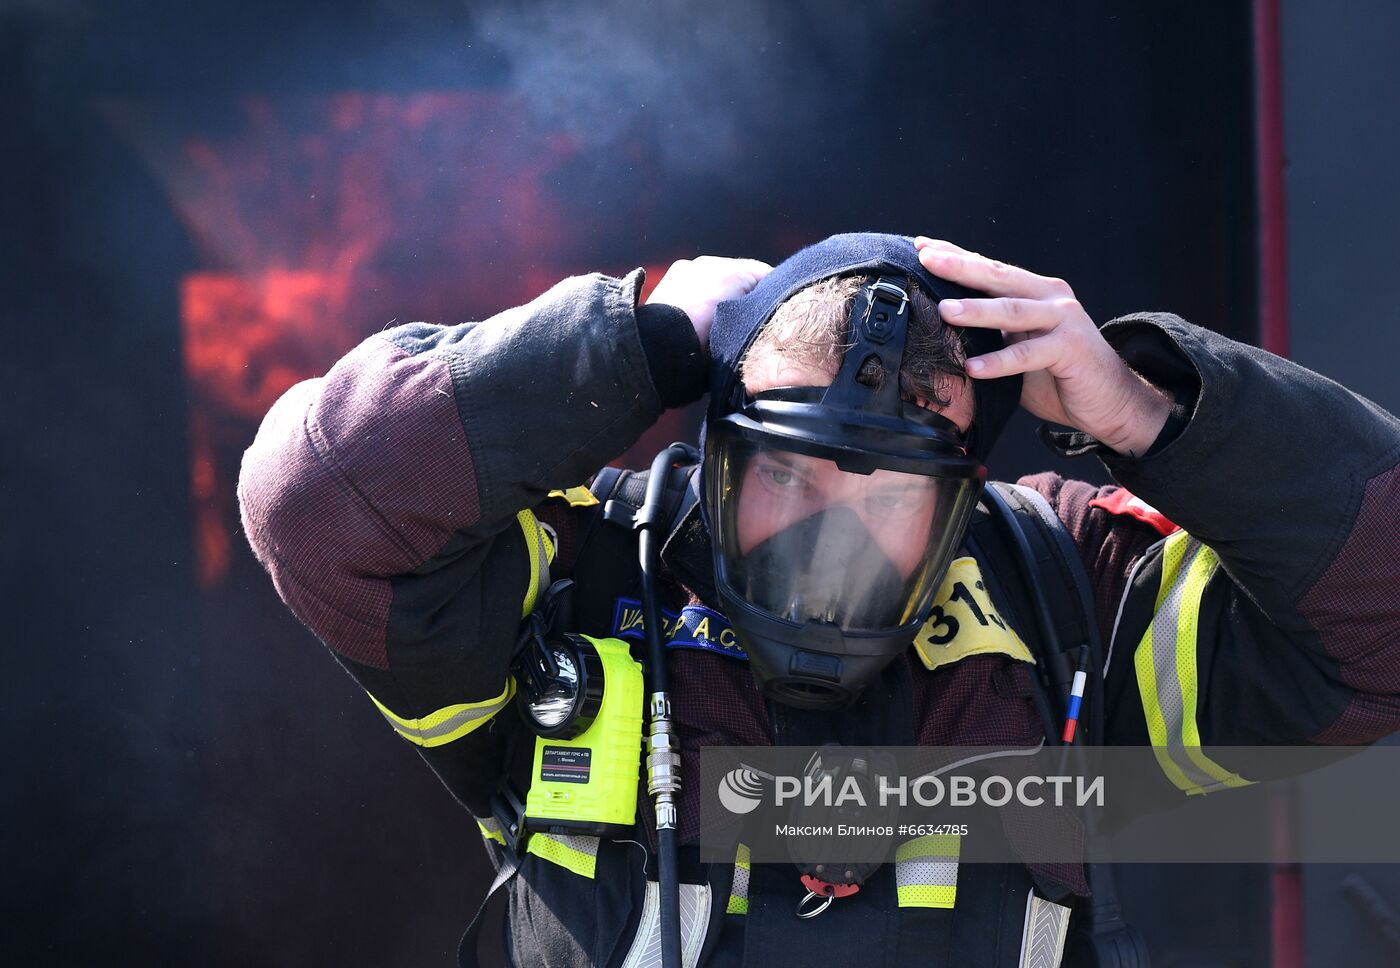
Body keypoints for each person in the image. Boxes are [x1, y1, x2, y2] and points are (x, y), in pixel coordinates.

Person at [238, 232, 1400, 967]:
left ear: (960, 498)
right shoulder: (588, 577)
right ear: (716, 451)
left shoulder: (1068, 591)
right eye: (787, 474)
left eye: (884, 490)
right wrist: (629, 336)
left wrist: (1147, 413)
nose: (826, 531)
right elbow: (319, 505)